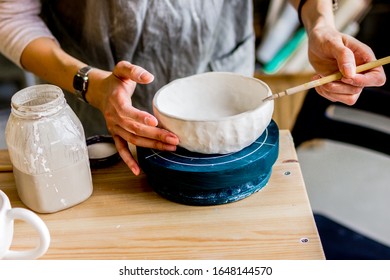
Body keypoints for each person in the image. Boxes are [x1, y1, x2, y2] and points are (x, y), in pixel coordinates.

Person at [0, 0, 386, 175]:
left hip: (223, 68)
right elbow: (12, 17)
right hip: (100, 97)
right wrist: (90, 82)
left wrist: (320, 25)